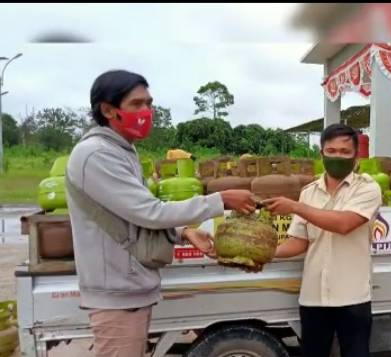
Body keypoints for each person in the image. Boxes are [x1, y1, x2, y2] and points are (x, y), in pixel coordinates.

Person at [66, 69, 256, 357]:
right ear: (107, 110)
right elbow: (148, 212)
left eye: (149, 103)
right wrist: (220, 200)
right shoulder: (96, 155)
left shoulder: (121, 151)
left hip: (129, 289)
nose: (146, 111)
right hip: (117, 294)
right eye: (136, 104)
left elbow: (130, 215)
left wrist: (184, 232)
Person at [264, 124, 382, 357]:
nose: (337, 156)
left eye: (345, 152)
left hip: (352, 297)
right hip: (313, 297)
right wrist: (263, 254)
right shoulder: (309, 192)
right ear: (322, 154)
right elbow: (299, 242)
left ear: (356, 156)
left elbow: (344, 224)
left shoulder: (368, 189)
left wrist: (295, 207)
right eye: (332, 151)